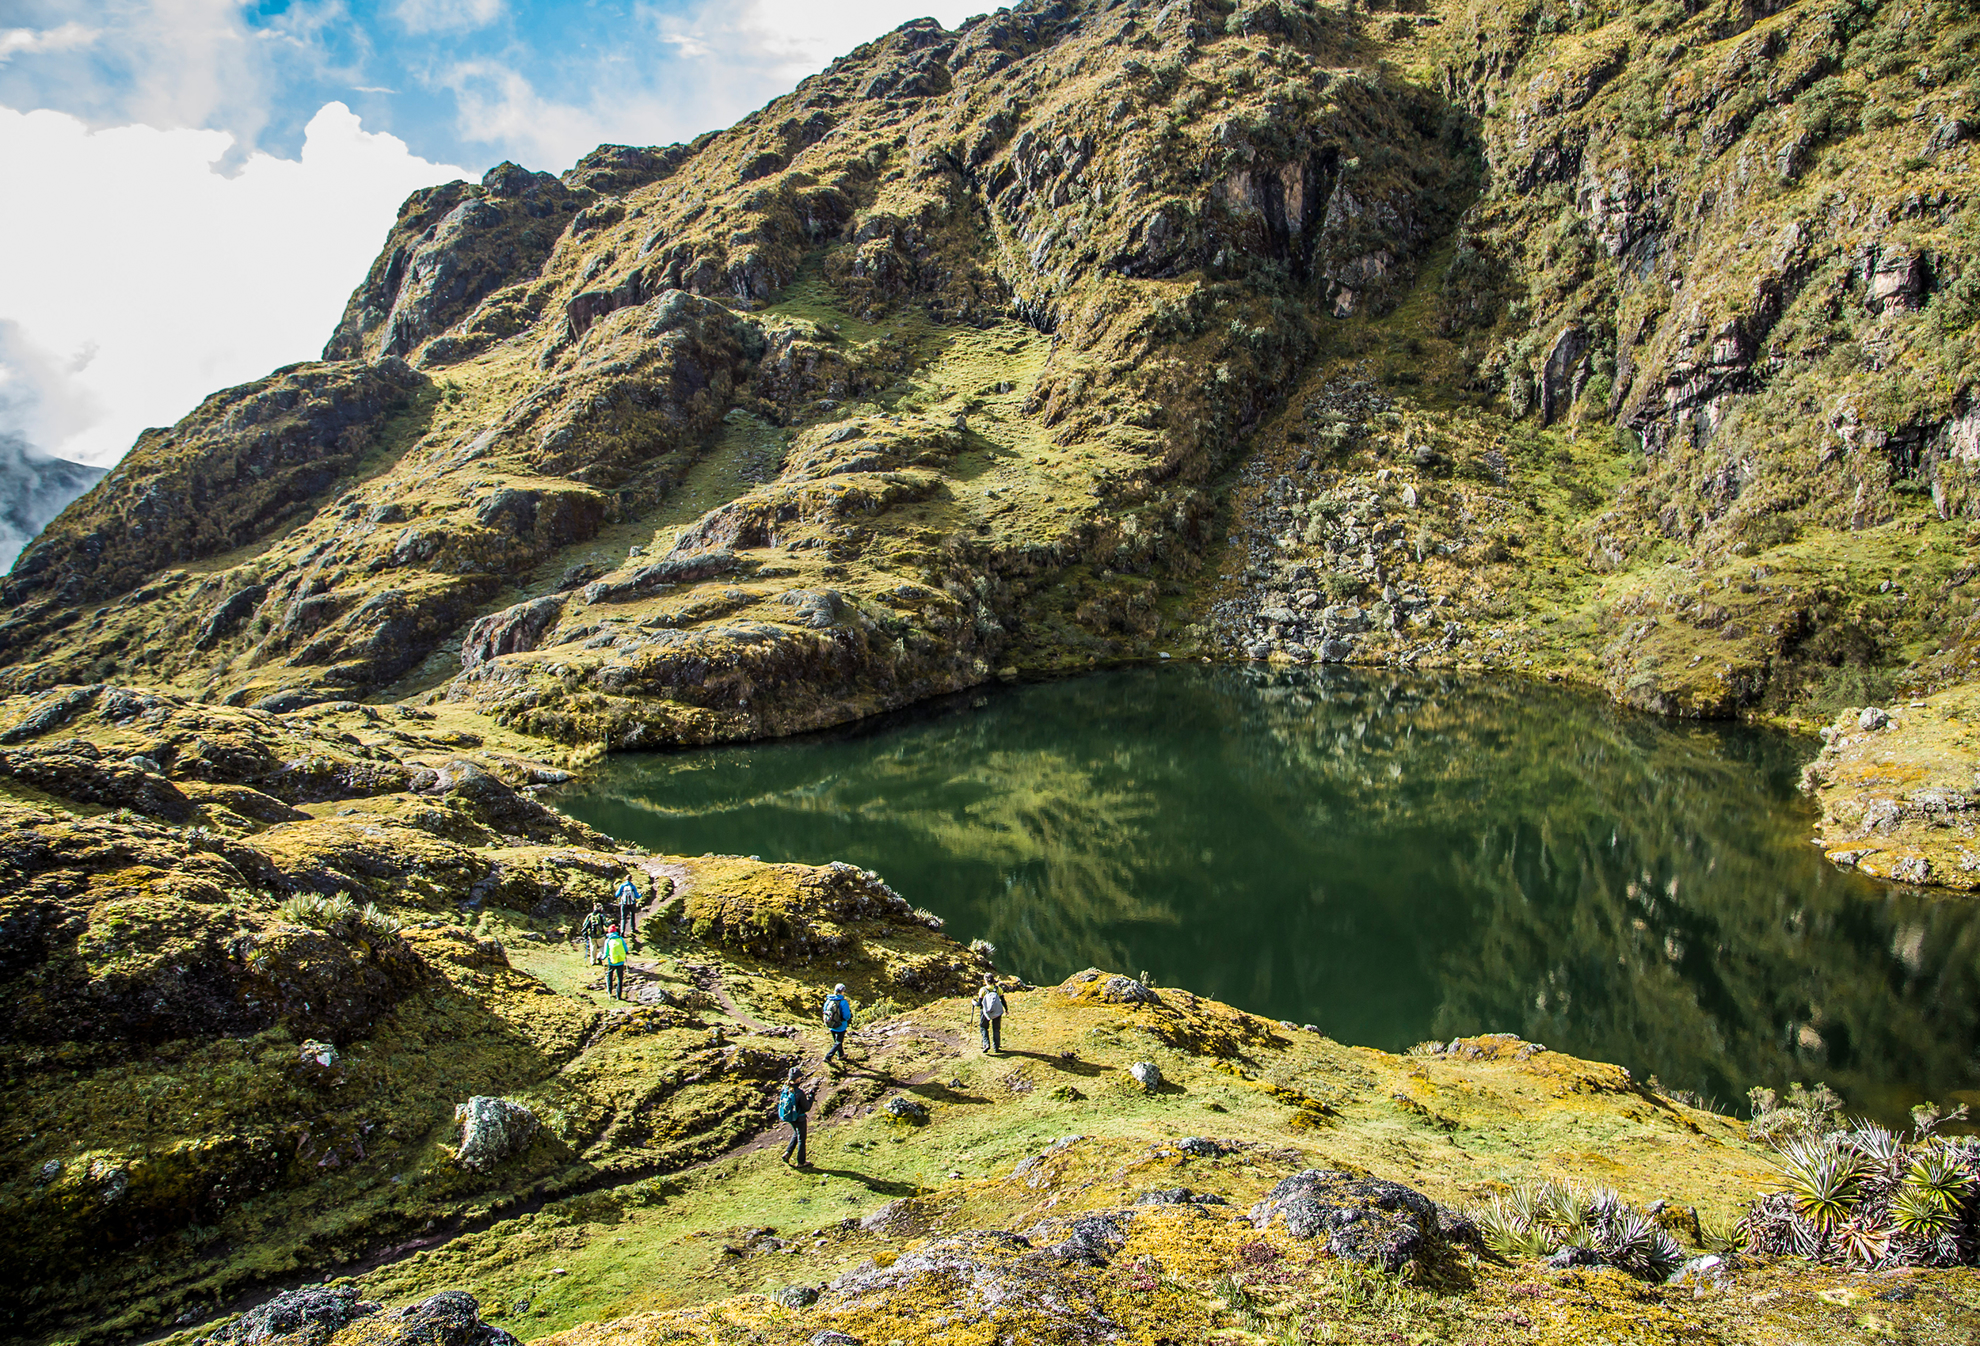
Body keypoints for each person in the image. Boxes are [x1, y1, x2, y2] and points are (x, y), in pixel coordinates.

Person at [777, 1067, 812, 1167]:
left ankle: (787, 1153)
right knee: (802, 1138)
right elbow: (807, 1107)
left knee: (796, 1133)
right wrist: (811, 1097)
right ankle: (801, 1162)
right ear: (796, 1079)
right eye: (800, 1077)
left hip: (790, 1117)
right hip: (799, 1118)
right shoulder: (799, 1093)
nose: (801, 1078)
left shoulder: (785, 1088)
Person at [976, 974, 1008, 1054]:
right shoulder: (998, 989)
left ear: (985, 980)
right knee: (996, 1029)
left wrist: (974, 1002)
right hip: (997, 1011)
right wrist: (1006, 1009)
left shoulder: (982, 990)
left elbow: (979, 1004)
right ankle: (996, 1047)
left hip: (985, 1012)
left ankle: (986, 1044)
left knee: (983, 1027)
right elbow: (1003, 1000)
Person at [822, 983, 853, 1065]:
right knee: (838, 1042)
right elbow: (846, 1015)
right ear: (843, 991)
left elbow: (824, 1010)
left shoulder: (829, 999)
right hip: (840, 1025)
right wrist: (846, 1019)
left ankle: (841, 1055)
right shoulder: (843, 1002)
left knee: (837, 1041)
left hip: (831, 1024)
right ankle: (828, 1057)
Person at [603, 924, 630, 999]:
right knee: (620, 978)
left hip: (612, 961)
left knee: (610, 975)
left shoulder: (608, 940)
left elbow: (606, 953)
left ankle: (609, 990)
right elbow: (626, 949)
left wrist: (602, 958)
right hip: (621, 960)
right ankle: (619, 995)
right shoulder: (620, 939)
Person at [613, 874, 642, 939]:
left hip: (624, 903)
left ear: (625, 879)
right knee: (632, 915)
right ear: (631, 879)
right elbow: (637, 896)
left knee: (623, 918)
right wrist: (641, 894)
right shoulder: (632, 886)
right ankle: (633, 929)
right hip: (632, 903)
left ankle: (622, 931)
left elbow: (616, 895)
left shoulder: (622, 886)